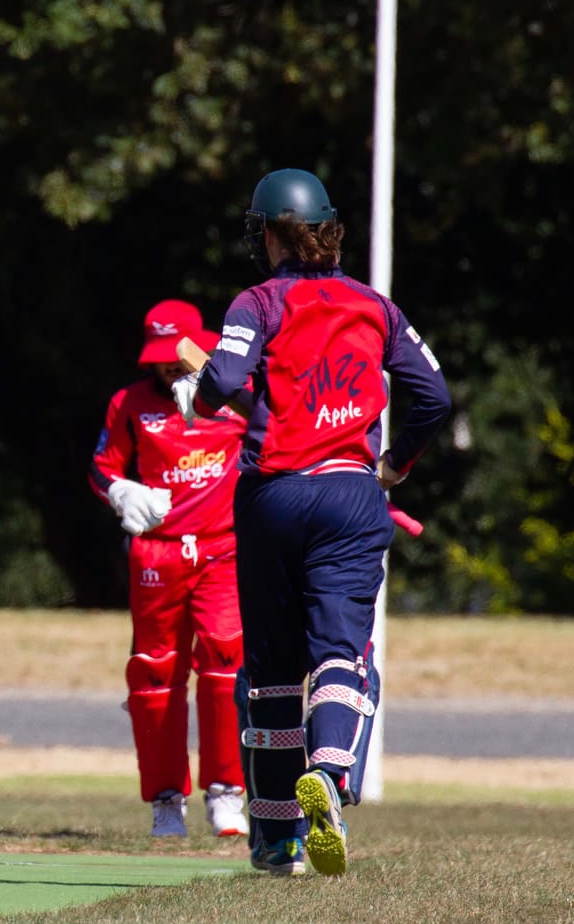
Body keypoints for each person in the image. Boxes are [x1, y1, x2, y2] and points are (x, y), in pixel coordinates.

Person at [176, 168, 449, 877]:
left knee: (268, 673)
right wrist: (396, 463)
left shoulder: (258, 302)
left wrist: (198, 398)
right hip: (350, 496)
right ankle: (327, 778)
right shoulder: (374, 306)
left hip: (271, 497)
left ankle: (275, 843)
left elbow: (226, 381)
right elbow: (433, 395)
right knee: (342, 656)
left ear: (269, 232)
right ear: (326, 230)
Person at [89, 299, 252, 840]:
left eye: (176, 357)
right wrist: (120, 491)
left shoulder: (236, 394)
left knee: (226, 659)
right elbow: (101, 466)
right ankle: (166, 800)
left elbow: (274, 445)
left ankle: (227, 793)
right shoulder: (129, 403)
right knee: (155, 672)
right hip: (156, 554)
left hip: (222, 549)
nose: (169, 369)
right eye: (160, 360)